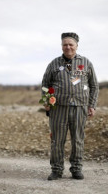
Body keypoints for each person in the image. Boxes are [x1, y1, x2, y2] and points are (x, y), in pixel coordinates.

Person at [41, 32, 99, 180]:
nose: (68, 47)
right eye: (65, 44)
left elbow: (94, 86)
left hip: (80, 107)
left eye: (70, 44)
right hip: (58, 108)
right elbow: (45, 85)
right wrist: (46, 101)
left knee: (78, 139)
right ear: (61, 46)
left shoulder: (86, 63)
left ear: (76, 46)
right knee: (57, 141)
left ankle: (76, 169)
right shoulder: (54, 64)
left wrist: (92, 105)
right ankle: (57, 170)